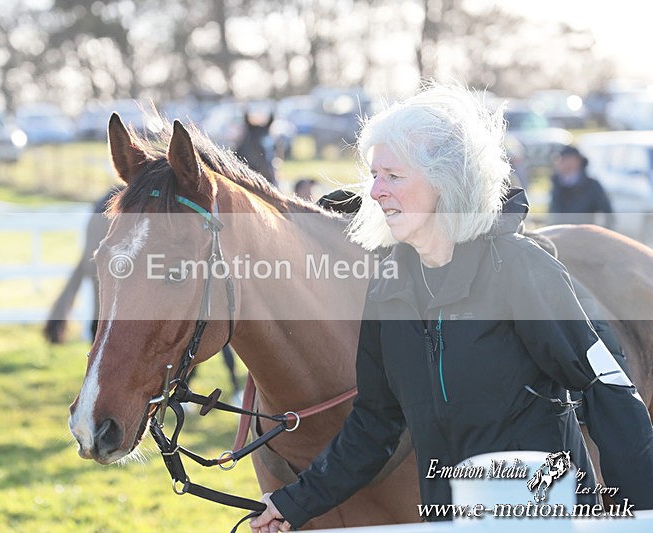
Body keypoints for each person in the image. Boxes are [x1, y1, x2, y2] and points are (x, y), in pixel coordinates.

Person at [251, 83, 653, 531]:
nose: (376, 191)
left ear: (448, 181)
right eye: (374, 175)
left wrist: (638, 515)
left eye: (394, 176)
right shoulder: (389, 288)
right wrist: (294, 503)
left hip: (542, 516)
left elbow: (606, 387)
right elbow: (375, 425)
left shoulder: (517, 268)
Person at [548, 145, 614, 228]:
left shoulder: (592, 185)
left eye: (565, 159)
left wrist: (599, 234)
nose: (560, 163)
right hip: (559, 235)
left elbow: (608, 214)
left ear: (577, 161)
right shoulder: (557, 183)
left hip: (584, 236)